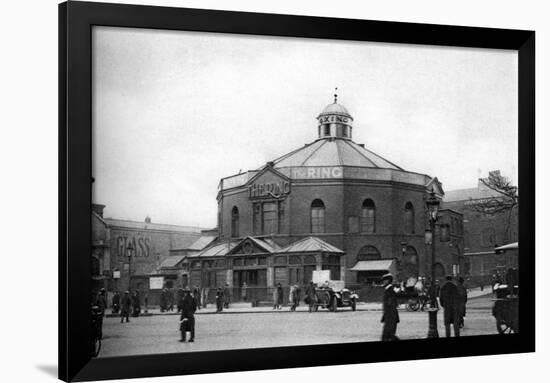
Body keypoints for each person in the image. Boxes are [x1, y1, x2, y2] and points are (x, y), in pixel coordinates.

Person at [381, 273, 399, 341]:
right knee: (389, 336)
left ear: (388, 281)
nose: (383, 282)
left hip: (390, 318)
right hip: (389, 317)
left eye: (384, 280)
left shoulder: (390, 291)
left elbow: (390, 305)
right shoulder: (389, 290)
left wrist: (388, 318)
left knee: (387, 336)